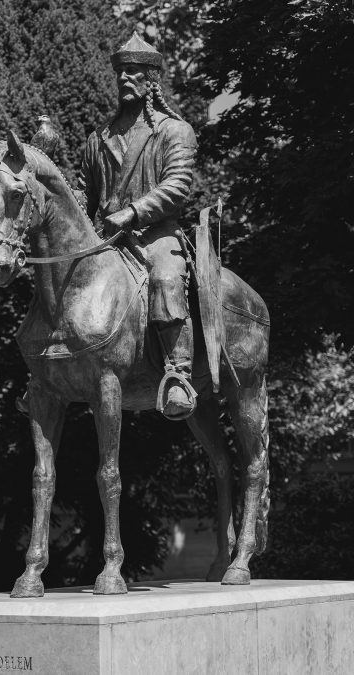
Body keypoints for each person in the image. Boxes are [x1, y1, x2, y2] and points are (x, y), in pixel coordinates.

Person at [80, 33, 198, 420]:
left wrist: (131, 213)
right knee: (65, 282)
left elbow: (177, 186)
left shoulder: (173, 130)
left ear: (152, 80)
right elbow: (86, 196)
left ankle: (178, 373)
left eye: (133, 72)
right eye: (120, 73)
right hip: (107, 241)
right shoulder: (98, 139)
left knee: (166, 278)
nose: (124, 79)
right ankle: (48, 374)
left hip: (155, 235)